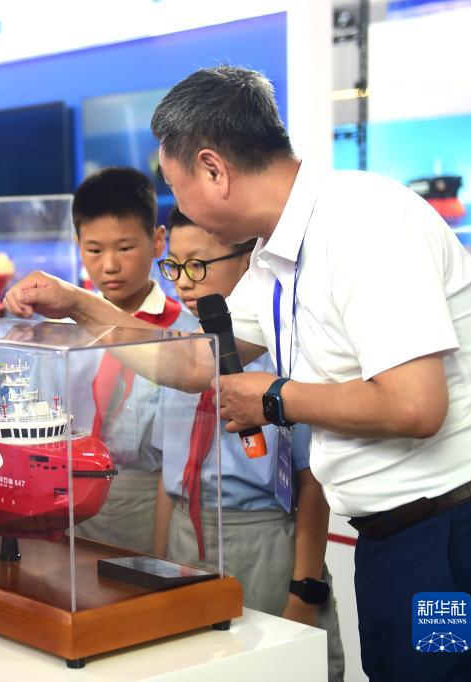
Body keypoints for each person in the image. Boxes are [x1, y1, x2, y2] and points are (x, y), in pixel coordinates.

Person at [5, 65, 471, 681]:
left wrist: (274, 397)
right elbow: (193, 361)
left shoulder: (363, 222)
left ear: (213, 169)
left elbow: (414, 405)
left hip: (450, 537)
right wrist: (78, 305)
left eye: (175, 185)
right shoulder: (276, 255)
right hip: (393, 539)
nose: (177, 204)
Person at [155, 205, 345, 681]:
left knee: (275, 666)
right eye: (174, 266)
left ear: (248, 261)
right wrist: (156, 565)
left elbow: (312, 484)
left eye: (199, 265)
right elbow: (168, 475)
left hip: (261, 537)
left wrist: (303, 590)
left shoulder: (284, 352)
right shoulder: (179, 351)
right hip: (186, 535)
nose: (184, 282)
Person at [69, 167, 196, 554]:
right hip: (73, 492)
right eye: (94, 250)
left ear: (158, 241)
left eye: (125, 248)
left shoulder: (185, 332)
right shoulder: (67, 331)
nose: (109, 265)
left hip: (149, 497)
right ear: (77, 245)